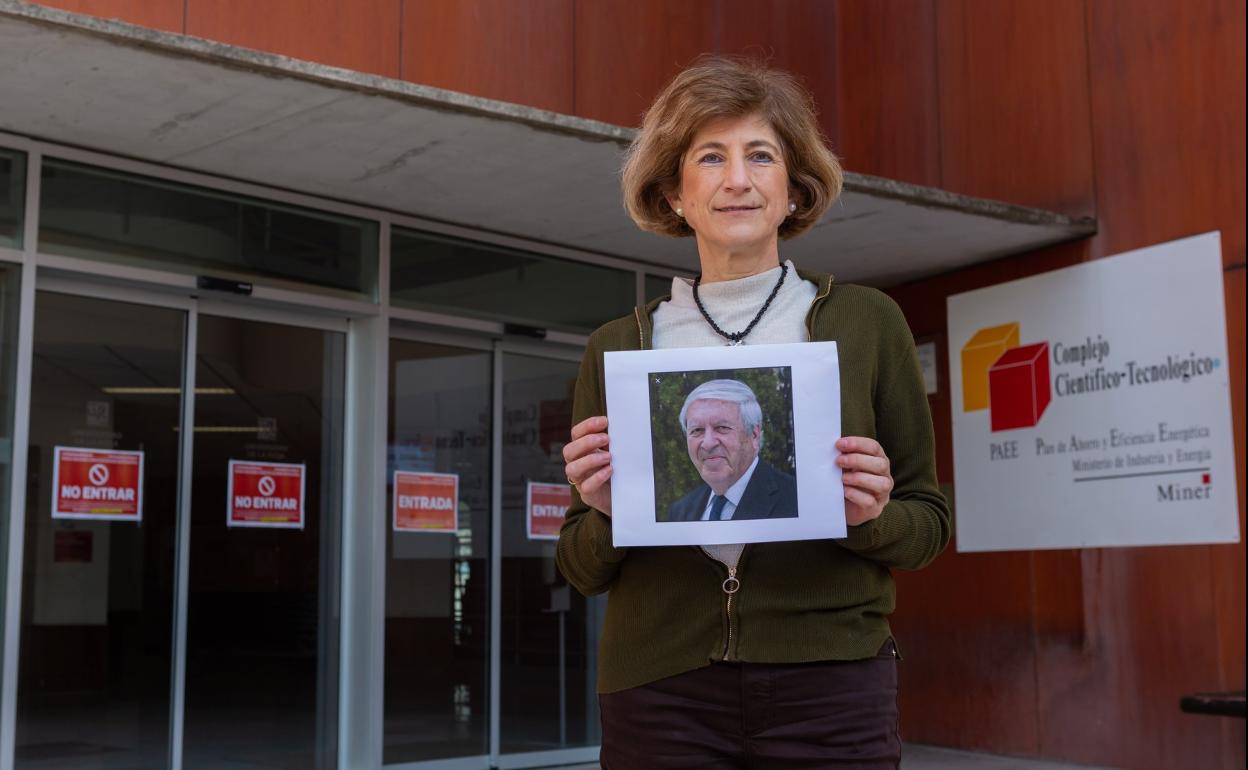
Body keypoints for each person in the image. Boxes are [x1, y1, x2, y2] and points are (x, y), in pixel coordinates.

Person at [558, 56, 950, 769]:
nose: (737, 178)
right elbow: (581, 568)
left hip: (832, 686)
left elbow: (926, 528)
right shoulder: (618, 347)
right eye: (711, 156)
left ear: (794, 190)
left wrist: (870, 516)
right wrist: (611, 511)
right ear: (675, 194)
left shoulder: (867, 323)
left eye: (761, 155)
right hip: (661, 692)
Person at [664, 378, 798, 522]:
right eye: (697, 430)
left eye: (722, 428)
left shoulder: (796, 499)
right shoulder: (680, 511)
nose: (708, 444)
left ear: (754, 435)